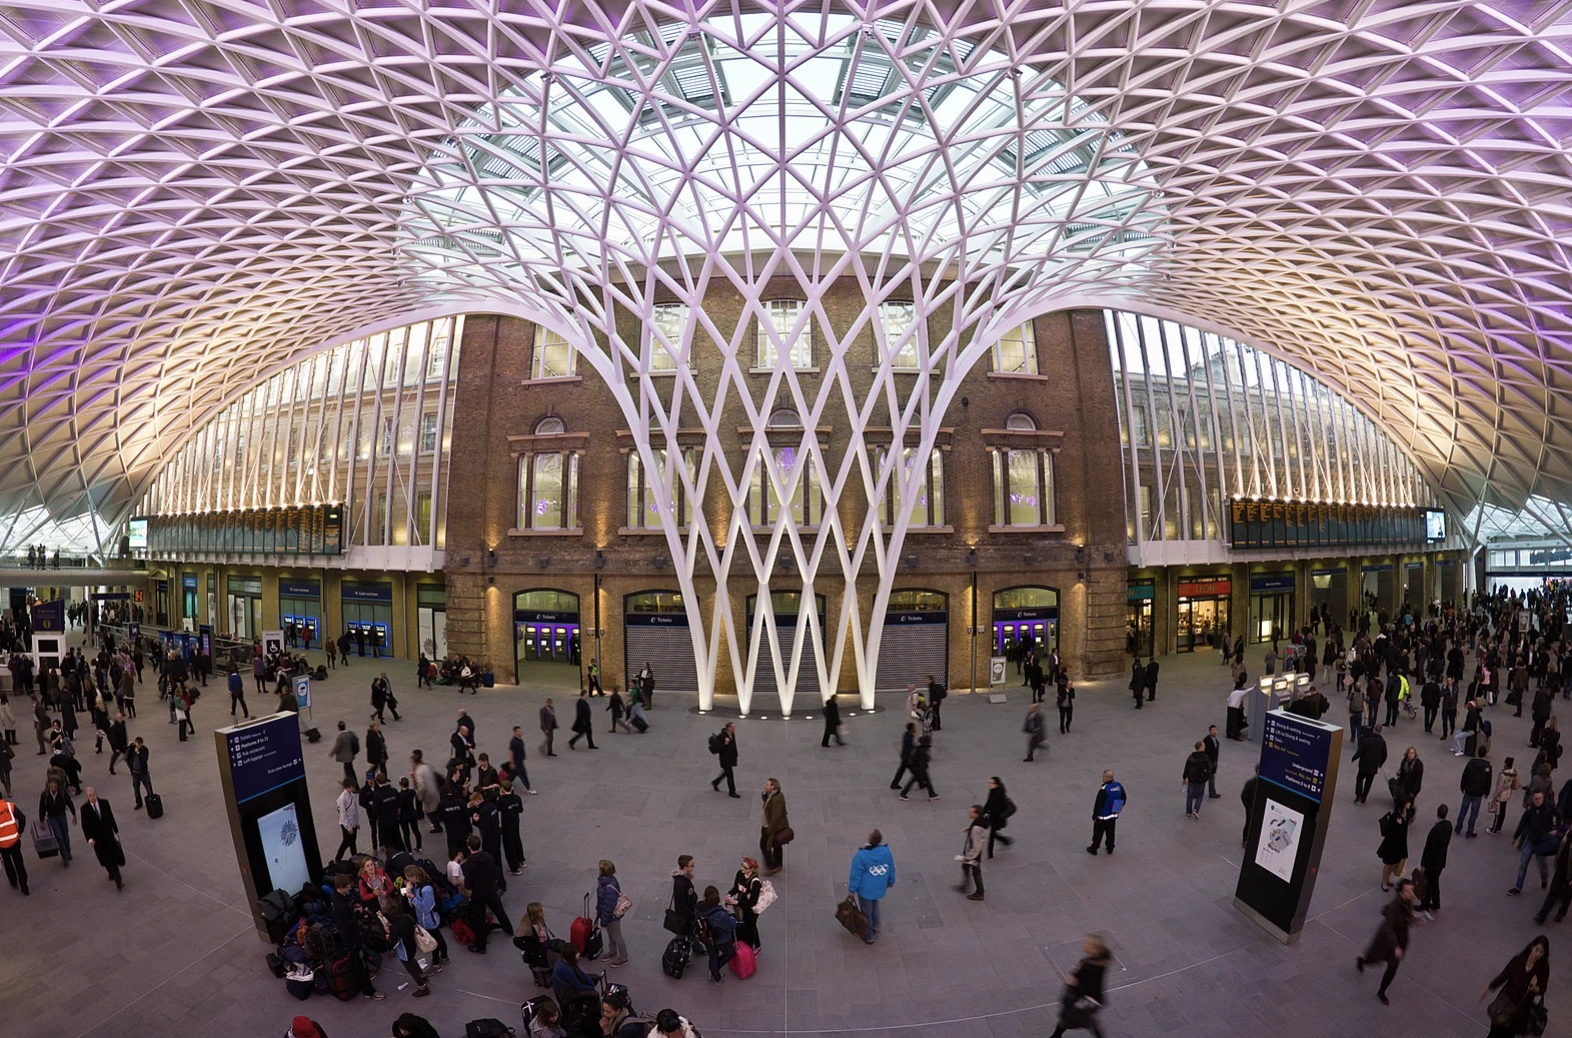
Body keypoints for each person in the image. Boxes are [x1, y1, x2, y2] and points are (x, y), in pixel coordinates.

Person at [1356, 879, 1415, 1005]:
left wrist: (1413, 920)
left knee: (1392, 967)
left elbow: (1407, 917)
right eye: (1408, 891)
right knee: (1373, 959)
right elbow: (1389, 929)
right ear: (1400, 892)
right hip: (1387, 941)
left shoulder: (1408, 901)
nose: (1411, 894)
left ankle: (1381, 991)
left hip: (1400, 940)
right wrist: (1396, 947)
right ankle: (1362, 961)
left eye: (1411, 891)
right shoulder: (1394, 908)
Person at [1479, 936, 1550, 1038]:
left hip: (1520, 1009)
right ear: (1532, 947)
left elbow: (1542, 989)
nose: (1538, 954)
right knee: (1494, 1032)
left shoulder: (1543, 969)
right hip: (1505, 1002)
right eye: (1537, 950)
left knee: (1508, 1034)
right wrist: (1490, 987)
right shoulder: (1518, 960)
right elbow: (1504, 975)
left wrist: (1534, 988)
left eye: (1541, 952)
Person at [329, 874, 383, 999]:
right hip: (351, 938)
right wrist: (357, 914)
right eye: (347, 887)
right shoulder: (341, 905)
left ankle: (363, 983)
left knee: (358, 960)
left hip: (348, 936)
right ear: (341, 887)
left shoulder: (336, 898)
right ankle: (368, 991)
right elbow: (348, 923)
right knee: (359, 963)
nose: (349, 889)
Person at [1048, 934, 1112, 1038]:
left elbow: (1089, 988)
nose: (1085, 945)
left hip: (1084, 1000)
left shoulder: (1089, 968)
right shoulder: (1099, 960)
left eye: (1089, 944)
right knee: (1079, 1019)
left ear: (1094, 949)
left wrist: (1074, 982)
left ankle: (1056, 1036)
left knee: (1070, 1018)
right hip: (1092, 999)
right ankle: (1056, 1036)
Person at [460, 834, 513, 952]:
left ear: (469, 847)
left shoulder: (469, 863)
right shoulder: (487, 857)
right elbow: (496, 870)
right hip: (490, 890)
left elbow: (468, 883)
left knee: (479, 919)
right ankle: (509, 929)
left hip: (478, 894)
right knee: (499, 910)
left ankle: (481, 946)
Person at [1509, 788, 1562, 896]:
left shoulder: (1549, 806)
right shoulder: (1530, 810)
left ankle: (1544, 878)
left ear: (1543, 798)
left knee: (1542, 865)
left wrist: (1556, 828)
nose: (1538, 801)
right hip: (1531, 840)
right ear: (1533, 799)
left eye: (1540, 798)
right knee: (1523, 864)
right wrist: (1515, 837)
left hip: (1542, 841)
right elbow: (1523, 823)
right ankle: (1518, 886)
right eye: (1536, 799)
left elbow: (1559, 814)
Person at [847, 830, 895, 945]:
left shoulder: (862, 855)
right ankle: (876, 925)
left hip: (865, 890)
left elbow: (856, 875)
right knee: (875, 905)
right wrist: (891, 881)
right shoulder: (886, 852)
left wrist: (852, 890)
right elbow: (891, 868)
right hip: (879, 887)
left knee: (866, 912)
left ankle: (868, 936)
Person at [382, 899, 436, 997]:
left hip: (404, 952)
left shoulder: (394, 927)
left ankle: (422, 987)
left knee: (411, 969)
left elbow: (393, 942)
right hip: (412, 945)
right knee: (413, 962)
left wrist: (388, 932)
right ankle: (422, 976)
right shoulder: (407, 917)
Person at [78, 786, 124, 890]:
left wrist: (116, 831)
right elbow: (85, 826)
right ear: (87, 797)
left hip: (108, 836)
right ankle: (111, 872)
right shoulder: (84, 809)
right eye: (90, 796)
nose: (93, 797)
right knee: (104, 859)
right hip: (97, 839)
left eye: (94, 795)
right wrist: (89, 839)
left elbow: (111, 817)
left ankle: (118, 879)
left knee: (112, 858)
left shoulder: (104, 803)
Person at [1416, 803, 1450, 918]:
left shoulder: (1435, 830)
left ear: (1437, 814)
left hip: (1432, 863)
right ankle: (1436, 902)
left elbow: (1429, 849)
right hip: (1441, 861)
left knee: (1428, 884)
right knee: (1435, 882)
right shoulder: (1448, 825)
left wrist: (1423, 864)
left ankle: (1425, 905)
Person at [699, 885, 738, 982]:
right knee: (730, 952)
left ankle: (716, 976)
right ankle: (715, 969)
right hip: (721, 939)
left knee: (713, 956)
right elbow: (731, 925)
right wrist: (731, 916)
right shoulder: (721, 914)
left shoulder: (699, 907)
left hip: (706, 938)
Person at [596, 859, 630, 967]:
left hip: (611, 916)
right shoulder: (607, 881)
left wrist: (604, 921)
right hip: (606, 914)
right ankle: (612, 950)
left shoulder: (608, 886)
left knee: (616, 936)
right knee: (611, 934)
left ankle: (623, 957)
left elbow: (609, 906)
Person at [1535, 828, 1572, 923]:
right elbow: (1560, 830)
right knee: (1553, 891)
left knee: (1568, 895)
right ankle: (1542, 915)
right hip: (1561, 869)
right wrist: (1556, 832)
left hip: (1570, 874)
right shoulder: (1567, 833)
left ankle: (1561, 912)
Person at [38, 775, 74, 865]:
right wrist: (41, 820)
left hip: (62, 815)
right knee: (59, 837)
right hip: (52, 817)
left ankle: (68, 851)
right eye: (51, 786)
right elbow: (42, 807)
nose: (53, 788)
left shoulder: (62, 792)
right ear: (49, 785)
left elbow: (69, 802)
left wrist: (74, 813)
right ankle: (64, 857)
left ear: (58, 786)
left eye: (55, 786)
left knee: (65, 835)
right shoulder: (45, 795)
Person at [729, 856, 764, 950]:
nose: (742, 869)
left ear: (752, 869)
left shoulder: (755, 882)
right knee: (750, 925)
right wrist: (730, 894)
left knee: (750, 926)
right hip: (741, 906)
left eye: (745, 868)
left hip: (751, 909)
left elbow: (753, 902)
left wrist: (737, 902)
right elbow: (736, 888)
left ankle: (752, 946)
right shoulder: (740, 874)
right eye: (742, 865)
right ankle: (757, 944)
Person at [1087, 770, 1125, 855]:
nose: (1102, 778)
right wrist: (1117, 808)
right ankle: (1110, 848)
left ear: (1107, 778)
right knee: (1111, 833)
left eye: (1103, 776)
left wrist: (1095, 816)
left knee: (1098, 834)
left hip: (1102, 817)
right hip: (1113, 815)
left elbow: (1099, 804)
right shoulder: (1119, 786)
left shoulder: (1104, 789)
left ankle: (1094, 848)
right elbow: (1123, 797)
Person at [1458, 747, 1493, 837]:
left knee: (1463, 810)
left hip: (1468, 790)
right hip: (1478, 793)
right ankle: (1470, 831)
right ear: (1485, 754)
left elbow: (1464, 775)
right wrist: (1486, 792)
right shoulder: (1488, 766)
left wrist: (1462, 787)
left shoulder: (1471, 763)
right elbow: (1488, 781)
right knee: (1474, 813)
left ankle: (1458, 827)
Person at [1377, 801, 1412, 891]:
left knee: (1394, 863)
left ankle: (1387, 878)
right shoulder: (1395, 816)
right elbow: (1391, 831)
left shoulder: (1407, 813)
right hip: (1392, 844)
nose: (1409, 804)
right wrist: (1399, 825)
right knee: (1388, 863)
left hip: (1400, 843)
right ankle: (1384, 881)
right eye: (1407, 802)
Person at [956, 804, 988, 901]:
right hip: (978, 853)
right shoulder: (982, 821)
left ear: (976, 814)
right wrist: (969, 830)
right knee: (966, 867)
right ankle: (965, 886)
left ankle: (980, 892)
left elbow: (976, 845)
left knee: (976, 872)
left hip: (975, 855)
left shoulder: (976, 829)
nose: (969, 813)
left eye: (971, 812)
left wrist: (968, 858)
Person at [760, 777, 789, 874]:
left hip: (770, 827)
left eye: (768, 785)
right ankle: (778, 864)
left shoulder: (777, 799)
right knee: (777, 844)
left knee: (764, 845)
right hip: (767, 825)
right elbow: (766, 803)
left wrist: (769, 830)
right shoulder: (772, 795)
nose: (766, 786)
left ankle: (772, 866)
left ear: (773, 786)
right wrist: (764, 793)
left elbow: (776, 817)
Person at [1352, 724, 1387, 804]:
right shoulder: (1382, 742)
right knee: (1369, 782)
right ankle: (1364, 797)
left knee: (1359, 778)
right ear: (1380, 731)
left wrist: (1354, 758)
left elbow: (1360, 751)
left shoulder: (1367, 740)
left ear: (1374, 730)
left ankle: (1358, 794)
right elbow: (1385, 755)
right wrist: (1380, 764)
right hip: (1374, 767)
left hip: (1364, 765)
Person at [0, 792, 27, 895]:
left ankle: (13, 881)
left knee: (7, 863)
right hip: (14, 841)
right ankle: (24, 887)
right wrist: (20, 831)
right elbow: (22, 817)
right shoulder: (9, 806)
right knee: (19, 863)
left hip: (1, 844)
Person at [900, 734, 938, 801]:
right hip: (919, 769)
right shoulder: (922, 751)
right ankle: (903, 794)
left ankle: (932, 793)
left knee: (924, 781)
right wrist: (922, 772)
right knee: (914, 781)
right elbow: (922, 762)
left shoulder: (920, 747)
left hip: (916, 768)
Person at [983, 776, 1014, 857]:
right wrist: (983, 812)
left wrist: (988, 812)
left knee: (991, 834)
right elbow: (988, 803)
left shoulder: (999, 794)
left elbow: (998, 807)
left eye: (991, 783)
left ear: (996, 784)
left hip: (997, 817)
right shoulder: (992, 791)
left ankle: (990, 854)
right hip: (993, 816)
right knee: (992, 833)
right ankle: (1005, 841)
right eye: (989, 782)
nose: (989, 784)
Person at [670, 854, 698, 936]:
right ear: (685, 867)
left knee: (688, 932)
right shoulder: (681, 883)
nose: (693, 867)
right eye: (691, 865)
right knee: (687, 931)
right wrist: (690, 915)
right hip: (687, 913)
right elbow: (681, 903)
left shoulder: (685, 878)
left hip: (689, 909)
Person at [333, 776, 360, 861]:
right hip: (346, 824)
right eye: (352, 787)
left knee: (353, 842)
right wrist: (348, 827)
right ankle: (337, 859)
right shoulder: (342, 798)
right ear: (348, 787)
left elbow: (354, 809)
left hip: (353, 822)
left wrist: (356, 822)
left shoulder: (351, 795)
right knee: (346, 842)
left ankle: (355, 857)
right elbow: (343, 815)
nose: (354, 788)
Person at [1182, 741, 1211, 818]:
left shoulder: (1191, 756)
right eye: (1204, 746)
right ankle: (1196, 809)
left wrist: (1184, 778)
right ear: (1200, 747)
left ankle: (1188, 811)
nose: (1204, 747)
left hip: (1191, 779)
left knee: (1190, 795)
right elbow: (1209, 768)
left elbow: (1186, 768)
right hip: (1201, 779)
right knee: (1200, 795)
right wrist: (1206, 777)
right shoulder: (1205, 757)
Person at [711, 722, 739, 798]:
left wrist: (736, 754)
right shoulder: (722, 736)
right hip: (725, 759)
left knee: (726, 773)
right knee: (730, 775)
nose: (734, 729)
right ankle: (732, 791)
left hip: (730, 758)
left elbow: (734, 744)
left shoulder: (732, 734)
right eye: (733, 727)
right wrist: (725, 744)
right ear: (729, 728)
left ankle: (715, 782)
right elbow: (719, 748)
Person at [506, 725, 536, 795]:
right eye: (519, 731)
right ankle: (528, 788)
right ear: (515, 732)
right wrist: (511, 763)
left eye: (521, 730)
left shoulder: (520, 739)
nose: (521, 732)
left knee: (512, 775)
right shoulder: (514, 742)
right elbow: (510, 752)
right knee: (523, 775)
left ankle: (505, 784)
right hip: (517, 762)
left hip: (519, 761)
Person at [126, 736, 152, 810]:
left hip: (143, 773)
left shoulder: (145, 750)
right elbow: (126, 756)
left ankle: (151, 802)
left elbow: (145, 759)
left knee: (148, 788)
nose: (138, 746)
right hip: (135, 773)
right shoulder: (132, 749)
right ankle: (139, 803)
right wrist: (128, 747)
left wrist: (138, 753)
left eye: (139, 745)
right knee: (136, 789)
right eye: (137, 744)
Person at [1239, 764, 1261, 849]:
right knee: (1249, 823)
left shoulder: (1262, 784)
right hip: (1251, 807)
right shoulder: (1251, 783)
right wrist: (1248, 807)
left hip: (1258, 808)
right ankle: (1245, 839)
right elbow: (1244, 796)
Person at [890, 722, 916, 790]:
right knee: (915, 772)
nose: (915, 729)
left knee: (901, 771)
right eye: (914, 727)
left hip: (905, 758)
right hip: (907, 758)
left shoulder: (907, 734)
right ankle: (922, 782)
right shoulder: (909, 738)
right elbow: (909, 748)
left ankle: (894, 783)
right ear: (912, 729)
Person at [1203, 725, 1222, 798]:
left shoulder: (1215, 740)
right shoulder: (1207, 740)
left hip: (1212, 763)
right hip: (1208, 764)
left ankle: (1212, 792)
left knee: (1211, 778)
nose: (1215, 732)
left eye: (1216, 730)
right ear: (1210, 731)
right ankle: (1196, 793)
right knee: (1204, 778)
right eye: (1213, 730)